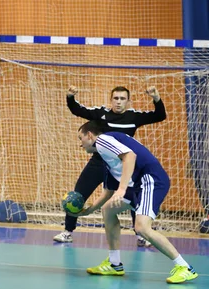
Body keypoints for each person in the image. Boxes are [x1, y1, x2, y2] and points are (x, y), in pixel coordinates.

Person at [71, 120, 198, 284]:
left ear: (90, 135)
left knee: (142, 227)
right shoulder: (106, 157)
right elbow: (108, 192)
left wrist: (122, 189)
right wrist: (90, 210)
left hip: (150, 180)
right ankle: (114, 263)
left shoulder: (103, 141)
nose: (80, 145)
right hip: (137, 186)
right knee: (108, 210)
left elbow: (130, 156)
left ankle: (184, 267)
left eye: (80, 139)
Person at [54, 85, 166, 247]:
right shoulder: (102, 113)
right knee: (78, 194)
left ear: (128, 101)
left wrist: (156, 98)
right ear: (111, 99)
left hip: (122, 165)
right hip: (98, 162)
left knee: (134, 196)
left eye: (122, 99)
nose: (118, 102)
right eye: (116, 98)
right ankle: (68, 231)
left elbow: (160, 116)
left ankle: (141, 235)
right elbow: (78, 110)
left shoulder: (134, 117)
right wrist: (70, 97)